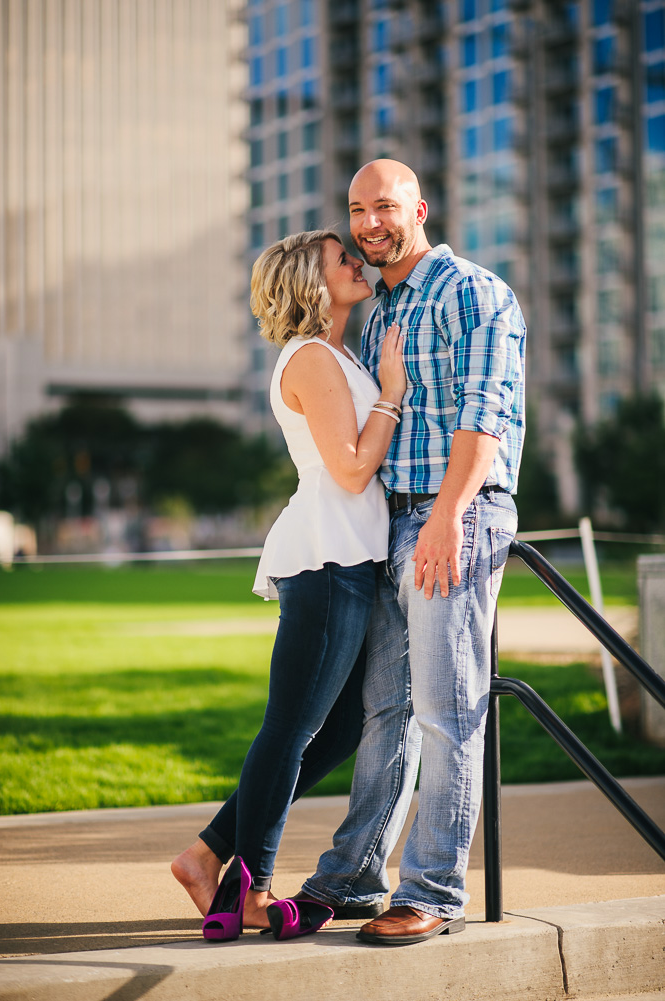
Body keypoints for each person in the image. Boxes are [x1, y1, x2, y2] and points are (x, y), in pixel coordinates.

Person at [295, 159, 526, 945]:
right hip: (389, 523)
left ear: (418, 207)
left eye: (384, 206)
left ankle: (431, 889)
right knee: (382, 711)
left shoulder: (475, 292)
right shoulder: (379, 306)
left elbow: (484, 416)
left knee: (447, 710)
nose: (369, 223)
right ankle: (354, 873)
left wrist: (451, 513)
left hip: (453, 517)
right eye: (357, 209)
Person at [171, 229, 406, 933]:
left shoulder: (337, 353)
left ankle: (205, 853)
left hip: (354, 560)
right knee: (293, 727)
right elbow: (353, 468)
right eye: (343, 258)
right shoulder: (308, 358)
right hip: (327, 559)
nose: (357, 262)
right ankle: (252, 883)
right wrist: (392, 393)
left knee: (339, 729)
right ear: (311, 281)